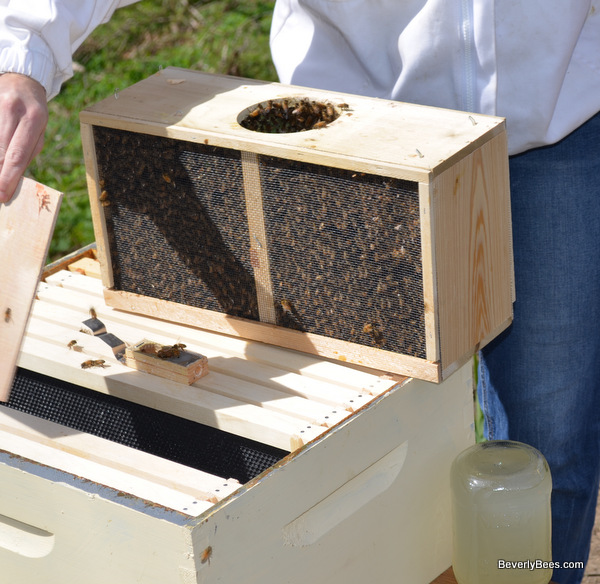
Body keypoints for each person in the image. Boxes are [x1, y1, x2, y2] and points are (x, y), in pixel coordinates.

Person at [1, 2, 599, 583]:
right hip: (348, 157)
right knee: (362, 449)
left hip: (556, 127)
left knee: (554, 443)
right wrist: (21, 53)